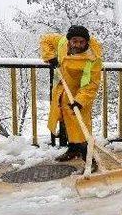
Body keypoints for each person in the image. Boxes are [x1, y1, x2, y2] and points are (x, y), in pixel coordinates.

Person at [40, 25, 103, 166]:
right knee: (67, 122)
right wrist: (50, 57)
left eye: (82, 42)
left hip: (80, 94)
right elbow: (45, 39)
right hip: (62, 90)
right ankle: (73, 149)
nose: (78, 45)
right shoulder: (62, 42)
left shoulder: (93, 58)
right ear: (69, 40)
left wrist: (80, 101)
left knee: (81, 126)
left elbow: (92, 84)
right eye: (75, 41)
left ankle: (90, 160)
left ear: (87, 42)